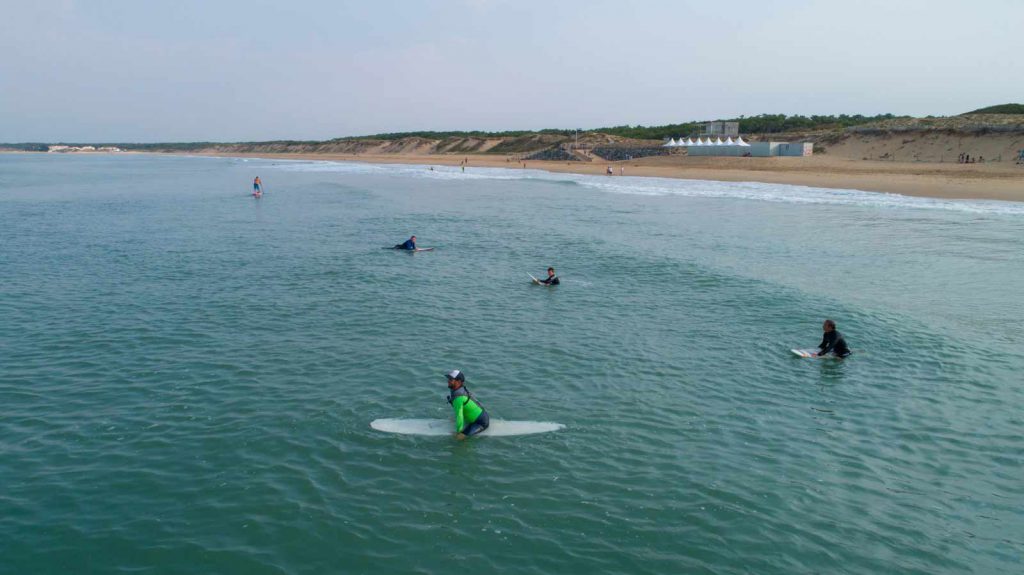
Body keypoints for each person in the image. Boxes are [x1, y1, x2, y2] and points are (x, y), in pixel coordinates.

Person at [446, 370, 489, 439]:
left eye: (451, 379)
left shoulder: (458, 397)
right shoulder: (457, 389)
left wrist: (458, 432)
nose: (448, 381)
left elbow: (459, 415)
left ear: (458, 382)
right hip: (477, 415)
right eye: (448, 378)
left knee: (459, 438)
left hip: (480, 422)